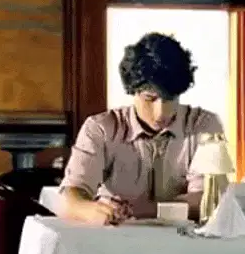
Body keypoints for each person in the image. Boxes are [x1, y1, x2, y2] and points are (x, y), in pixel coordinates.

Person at [59, 32, 225, 225]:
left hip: (183, 240)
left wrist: (142, 210)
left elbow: (208, 201)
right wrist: (90, 209)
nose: (161, 113)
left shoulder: (205, 126)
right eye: (149, 98)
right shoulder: (101, 128)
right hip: (116, 239)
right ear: (133, 91)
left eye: (170, 99)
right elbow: (70, 197)